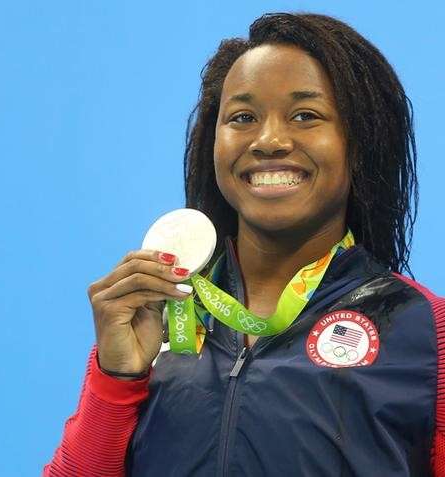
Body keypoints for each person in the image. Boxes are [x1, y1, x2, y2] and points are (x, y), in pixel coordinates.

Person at [43, 11, 445, 477]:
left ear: (358, 143)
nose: (269, 140)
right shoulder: (160, 315)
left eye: (305, 115)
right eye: (243, 117)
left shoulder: (426, 332)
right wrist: (117, 379)